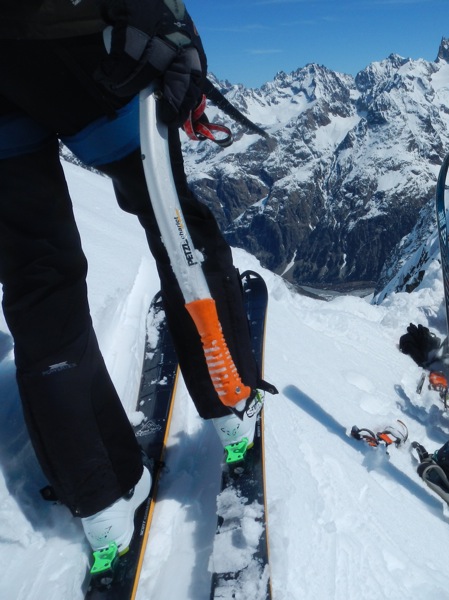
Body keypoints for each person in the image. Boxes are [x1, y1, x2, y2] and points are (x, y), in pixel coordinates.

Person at [0, 1, 263, 560]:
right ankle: (230, 405)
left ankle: (101, 501)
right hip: (79, 43)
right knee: (175, 224)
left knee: (37, 276)